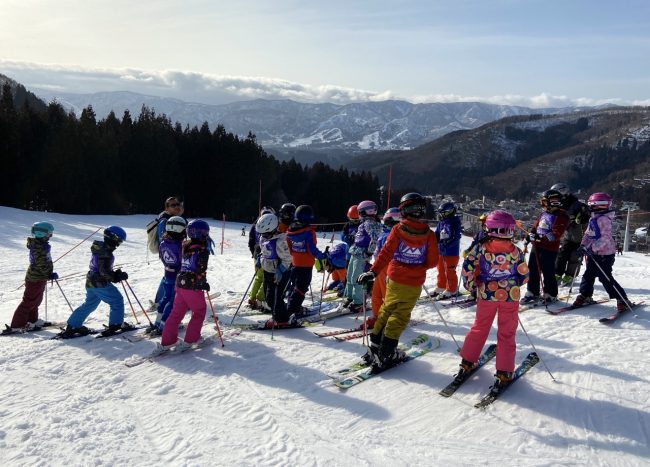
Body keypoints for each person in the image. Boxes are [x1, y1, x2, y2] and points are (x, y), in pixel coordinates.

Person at [357, 193, 439, 372]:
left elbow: (385, 253)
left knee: (387, 309)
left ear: (403, 211)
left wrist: (373, 272)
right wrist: (418, 264)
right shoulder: (429, 235)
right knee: (400, 315)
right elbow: (433, 261)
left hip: (394, 278)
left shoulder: (397, 230)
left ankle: (376, 346)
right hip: (413, 282)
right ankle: (387, 353)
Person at [456, 210, 529, 391]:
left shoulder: (480, 248)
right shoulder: (516, 251)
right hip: (510, 296)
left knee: (480, 326)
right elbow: (524, 274)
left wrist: (472, 285)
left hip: (487, 295)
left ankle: (467, 361)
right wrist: (515, 283)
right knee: (506, 332)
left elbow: (468, 268)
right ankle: (504, 371)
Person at [63, 226, 132, 337]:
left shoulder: (100, 248)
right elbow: (104, 272)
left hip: (91, 281)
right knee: (117, 300)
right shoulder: (105, 252)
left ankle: (73, 325)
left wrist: (114, 273)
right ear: (113, 238)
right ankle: (116, 324)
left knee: (90, 304)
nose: (119, 244)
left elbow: (102, 268)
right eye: (119, 241)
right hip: (100, 284)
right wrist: (116, 277)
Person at [159, 219, 213, 350]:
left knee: (176, 312)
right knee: (199, 311)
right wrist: (202, 283)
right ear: (201, 233)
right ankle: (192, 339)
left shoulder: (184, 244)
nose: (206, 234)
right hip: (192, 285)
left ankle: (168, 341)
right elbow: (200, 268)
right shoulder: (202, 249)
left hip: (180, 283)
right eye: (205, 232)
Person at [572, 193, 631, 312]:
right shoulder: (593, 218)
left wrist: (591, 249)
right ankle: (585, 295)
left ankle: (622, 299)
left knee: (605, 277)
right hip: (594, 253)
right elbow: (589, 235)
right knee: (588, 275)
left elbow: (604, 238)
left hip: (605, 254)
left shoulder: (604, 219)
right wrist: (583, 246)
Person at [521, 189, 569, 304]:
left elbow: (555, 235)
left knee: (548, 271)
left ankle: (550, 294)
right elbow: (535, 227)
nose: (543, 205)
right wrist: (530, 236)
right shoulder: (543, 213)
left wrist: (540, 238)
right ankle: (533, 292)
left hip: (549, 249)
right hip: (536, 246)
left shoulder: (562, 216)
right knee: (533, 269)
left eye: (545, 202)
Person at [8, 222, 57, 331]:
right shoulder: (38, 247)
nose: (51, 236)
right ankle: (17, 325)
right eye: (50, 233)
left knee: (36, 300)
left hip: (39, 277)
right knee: (29, 301)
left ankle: (32, 321)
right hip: (35, 278)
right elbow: (40, 264)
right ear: (41, 233)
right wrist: (49, 274)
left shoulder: (41, 245)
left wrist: (48, 273)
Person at [147, 216, 186, 336]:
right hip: (176, 276)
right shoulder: (179, 244)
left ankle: (158, 322)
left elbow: (163, 258)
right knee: (172, 302)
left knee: (165, 298)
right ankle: (165, 325)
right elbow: (182, 260)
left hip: (167, 274)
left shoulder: (164, 241)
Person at [344, 200, 384, 313]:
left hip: (361, 253)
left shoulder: (370, 223)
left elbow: (375, 238)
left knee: (356, 276)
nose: (359, 215)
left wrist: (369, 252)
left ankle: (358, 302)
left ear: (363, 212)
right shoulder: (366, 222)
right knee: (350, 274)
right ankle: (351, 297)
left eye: (360, 212)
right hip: (355, 251)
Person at [286, 205, 326, 317]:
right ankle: (293, 310)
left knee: (294, 286)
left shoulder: (290, 230)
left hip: (294, 264)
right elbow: (312, 250)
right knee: (301, 288)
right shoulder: (308, 232)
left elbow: (289, 248)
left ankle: (292, 305)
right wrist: (322, 256)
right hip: (305, 265)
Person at [256, 213, 294, 326]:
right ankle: (277, 316)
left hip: (280, 273)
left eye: (266, 234)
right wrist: (260, 258)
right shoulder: (264, 237)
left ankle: (282, 320)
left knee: (276, 298)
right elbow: (264, 251)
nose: (263, 236)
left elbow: (288, 259)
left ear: (273, 229)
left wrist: (280, 270)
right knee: (269, 298)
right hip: (268, 271)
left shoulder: (281, 241)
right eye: (262, 234)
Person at [552, 183, 590, 287]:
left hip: (579, 235)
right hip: (568, 235)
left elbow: (586, 211)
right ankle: (557, 274)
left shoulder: (575, 203)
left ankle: (570, 275)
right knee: (562, 254)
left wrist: (582, 217)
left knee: (574, 256)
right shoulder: (559, 204)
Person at [369, 208, 401, 329]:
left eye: (388, 221)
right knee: (376, 292)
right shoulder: (384, 232)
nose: (385, 223)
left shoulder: (396, 235)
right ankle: (377, 315)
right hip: (378, 266)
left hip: (388, 267)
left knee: (386, 293)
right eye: (385, 220)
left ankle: (390, 317)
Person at [153, 197, 185, 307]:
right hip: (171, 254)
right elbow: (165, 240)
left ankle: (161, 301)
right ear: (167, 208)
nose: (177, 207)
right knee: (170, 277)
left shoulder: (174, 219)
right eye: (173, 205)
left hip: (174, 254)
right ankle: (163, 301)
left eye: (178, 204)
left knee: (169, 276)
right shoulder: (165, 221)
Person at [432, 201, 462, 299]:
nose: (441, 215)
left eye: (443, 213)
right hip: (441, 251)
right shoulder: (441, 222)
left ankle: (452, 290)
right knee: (440, 270)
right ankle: (441, 286)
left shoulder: (455, 223)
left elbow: (456, 237)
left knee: (450, 271)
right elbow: (436, 234)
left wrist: (447, 245)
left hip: (451, 253)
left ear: (449, 212)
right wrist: (433, 241)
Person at [247, 207, 275, 310]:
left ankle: (252, 297)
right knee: (265, 277)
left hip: (256, 253)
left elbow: (250, 242)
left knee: (259, 277)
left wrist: (253, 253)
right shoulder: (269, 225)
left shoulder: (255, 225)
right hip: (265, 254)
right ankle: (259, 298)